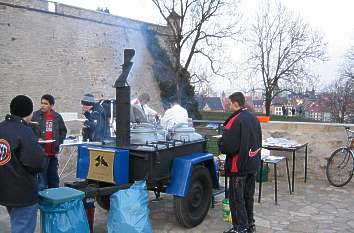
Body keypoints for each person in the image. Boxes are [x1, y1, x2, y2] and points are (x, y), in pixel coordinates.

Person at [0, 95, 46, 233]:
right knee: (22, 227)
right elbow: (36, 162)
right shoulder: (24, 131)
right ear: (29, 112)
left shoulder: (1, 127)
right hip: (22, 191)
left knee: (16, 222)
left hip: (4, 189)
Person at [218, 92, 262, 233]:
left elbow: (228, 147)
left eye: (230, 102)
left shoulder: (235, 120)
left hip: (239, 166)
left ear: (236, 103)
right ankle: (250, 225)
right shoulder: (253, 117)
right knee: (248, 197)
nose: (229, 105)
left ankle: (240, 228)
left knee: (237, 199)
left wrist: (220, 143)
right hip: (252, 164)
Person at [32, 94, 67, 189]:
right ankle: (42, 201)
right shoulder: (35, 116)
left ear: (51, 105)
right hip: (41, 154)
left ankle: (54, 200)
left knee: (54, 179)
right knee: (42, 181)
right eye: (41, 103)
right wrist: (36, 139)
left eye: (45, 104)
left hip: (53, 154)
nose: (42, 105)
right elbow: (29, 131)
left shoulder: (57, 117)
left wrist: (58, 143)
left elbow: (63, 131)